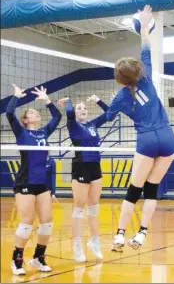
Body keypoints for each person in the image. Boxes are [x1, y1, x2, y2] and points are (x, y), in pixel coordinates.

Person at [106, 6, 174, 252]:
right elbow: (146, 49)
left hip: (146, 140)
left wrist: (103, 107)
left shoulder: (119, 97)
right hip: (168, 138)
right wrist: (144, 27)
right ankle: (142, 234)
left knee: (134, 190)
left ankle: (120, 235)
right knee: (152, 189)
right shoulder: (146, 77)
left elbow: (108, 117)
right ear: (137, 72)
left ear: (120, 79)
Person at [6, 84, 62, 275]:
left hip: (42, 185)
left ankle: (38, 258)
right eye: (31, 112)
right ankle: (17, 260)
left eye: (36, 112)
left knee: (47, 222)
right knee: (26, 222)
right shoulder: (21, 133)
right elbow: (9, 114)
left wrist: (47, 101)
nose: (35, 113)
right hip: (25, 182)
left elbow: (58, 117)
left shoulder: (44, 132)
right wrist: (16, 97)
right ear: (26, 120)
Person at [57, 95, 109, 262]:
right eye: (80, 108)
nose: (82, 110)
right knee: (79, 208)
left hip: (95, 166)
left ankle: (95, 242)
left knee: (94, 207)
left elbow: (110, 113)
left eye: (84, 108)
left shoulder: (93, 124)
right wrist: (68, 102)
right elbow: (70, 113)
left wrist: (97, 100)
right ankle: (77, 246)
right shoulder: (72, 125)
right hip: (81, 165)